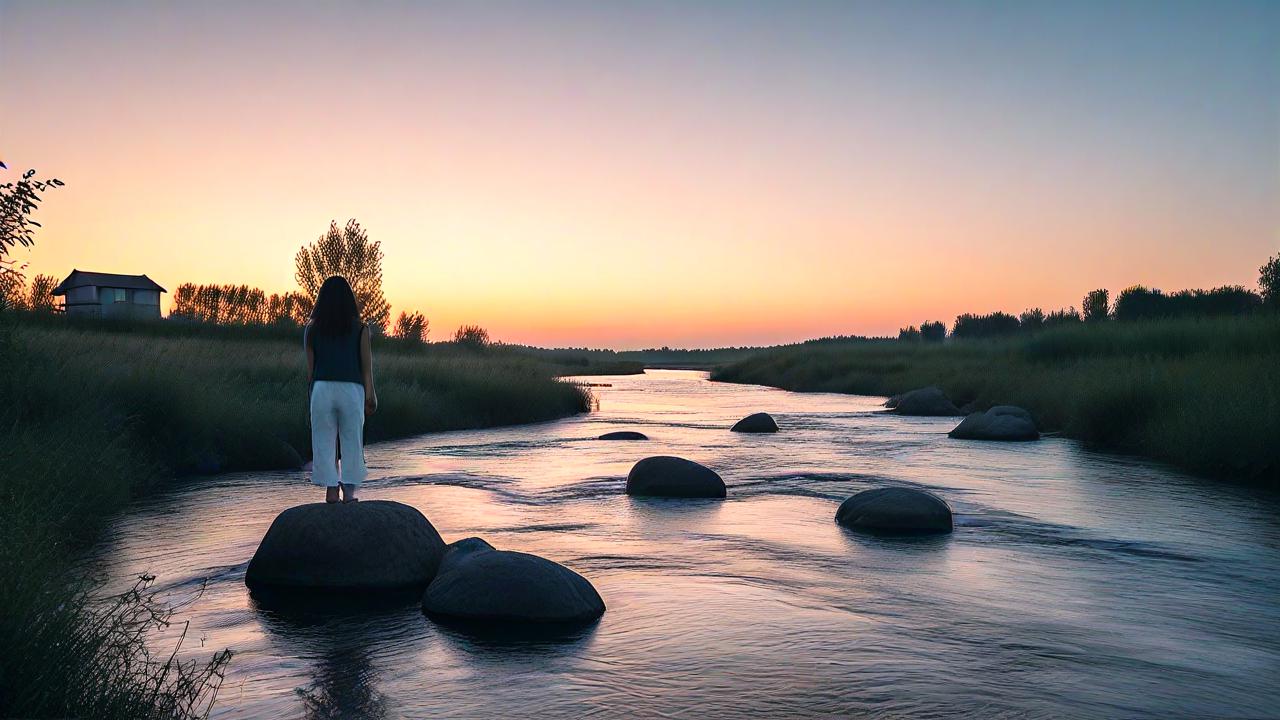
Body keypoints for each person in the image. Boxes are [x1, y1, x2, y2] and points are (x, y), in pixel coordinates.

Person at [304, 276, 378, 503]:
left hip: (322, 388)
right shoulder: (361, 329)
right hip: (352, 388)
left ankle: (330, 489)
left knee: (324, 440)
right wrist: (370, 395)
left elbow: (311, 370)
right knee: (351, 441)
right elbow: (366, 367)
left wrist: (311, 397)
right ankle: (348, 491)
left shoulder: (311, 329)